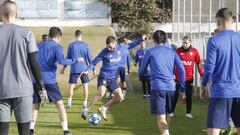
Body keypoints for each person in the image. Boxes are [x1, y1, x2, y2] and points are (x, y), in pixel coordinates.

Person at [0, 1, 47, 135]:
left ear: (1, 14)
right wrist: (41, 87)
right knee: (24, 132)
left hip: (1, 91)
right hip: (23, 91)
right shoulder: (27, 34)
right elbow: (33, 63)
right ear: (17, 14)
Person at [30, 27, 83, 135]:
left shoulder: (38, 45)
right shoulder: (57, 47)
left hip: (35, 80)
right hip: (49, 81)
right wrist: (76, 60)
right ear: (58, 37)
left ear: (49, 35)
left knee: (35, 104)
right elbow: (61, 60)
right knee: (60, 105)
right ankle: (65, 131)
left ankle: (30, 129)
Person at [81, 35, 147, 121]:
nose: (108, 48)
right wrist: (87, 69)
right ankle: (86, 110)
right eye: (107, 47)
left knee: (120, 97)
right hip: (104, 76)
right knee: (101, 93)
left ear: (114, 43)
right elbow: (94, 61)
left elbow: (132, 45)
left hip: (112, 79)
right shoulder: (104, 52)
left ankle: (103, 108)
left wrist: (141, 39)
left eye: (110, 47)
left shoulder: (122, 48)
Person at [201, 8, 240, 135]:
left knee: (213, 131)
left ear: (218, 21)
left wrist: (203, 84)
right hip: (238, 90)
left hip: (221, 91)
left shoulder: (214, 40)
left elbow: (209, 67)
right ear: (232, 21)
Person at [139, 30, 185, 135]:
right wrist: (182, 87)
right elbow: (181, 69)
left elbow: (142, 71)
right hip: (171, 88)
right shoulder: (172, 52)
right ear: (165, 39)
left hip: (157, 87)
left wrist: (146, 75)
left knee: (161, 118)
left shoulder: (150, 52)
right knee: (168, 114)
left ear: (154, 39)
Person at [61, 30, 95, 109]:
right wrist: (93, 69)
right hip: (84, 69)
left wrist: (64, 67)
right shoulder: (86, 45)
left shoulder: (71, 45)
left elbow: (68, 58)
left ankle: (69, 103)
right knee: (85, 86)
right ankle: (84, 103)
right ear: (81, 35)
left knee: (71, 87)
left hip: (74, 68)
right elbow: (89, 58)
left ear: (75, 35)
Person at [172, 36, 204, 118]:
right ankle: (171, 112)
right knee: (175, 94)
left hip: (189, 77)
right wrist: (172, 73)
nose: (185, 44)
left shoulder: (194, 51)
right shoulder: (178, 51)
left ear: (190, 43)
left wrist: (202, 74)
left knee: (189, 95)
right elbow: (173, 63)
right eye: (183, 43)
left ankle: (188, 113)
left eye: (186, 43)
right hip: (179, 77)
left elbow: (199, 63)